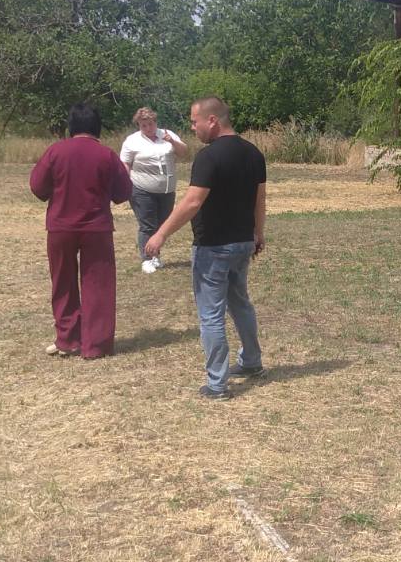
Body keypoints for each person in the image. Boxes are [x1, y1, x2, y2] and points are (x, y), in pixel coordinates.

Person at [144, 96, 266, 400]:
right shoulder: (253, 153)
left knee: (211, 315)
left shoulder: (208, 157)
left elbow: (192, 202)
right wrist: (258, 233)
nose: (192, 127)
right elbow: (259, 199)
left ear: (212, 120)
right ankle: (251, 361)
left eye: (194, 121)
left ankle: (217, 384)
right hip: (242, 242)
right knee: (240, 304)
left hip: (213, 247)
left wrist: (160, 235)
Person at [29, 103, 133, 360]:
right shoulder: (107, 155)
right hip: (97, 228)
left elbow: (38, 187)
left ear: (71, 126)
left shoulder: (55, 151)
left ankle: (67, 339)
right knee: (98, 284)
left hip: (61, 227)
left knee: (62, 282)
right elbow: (123, 193)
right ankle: (96, 345)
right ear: (97, 127)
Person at [119, 107, 189, 274]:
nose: (148, 128)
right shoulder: (132, 141)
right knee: (147, 225)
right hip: (142, 188)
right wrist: (125, 184)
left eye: (150, 124)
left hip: (167, 189)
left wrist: (172, 142)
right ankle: (147, 259)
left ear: (155, 122)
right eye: (143, 125)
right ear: (139, 125)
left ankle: (156, 254)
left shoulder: (167, 135)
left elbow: (183, 153)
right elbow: (125, 163)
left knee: (162, 225)